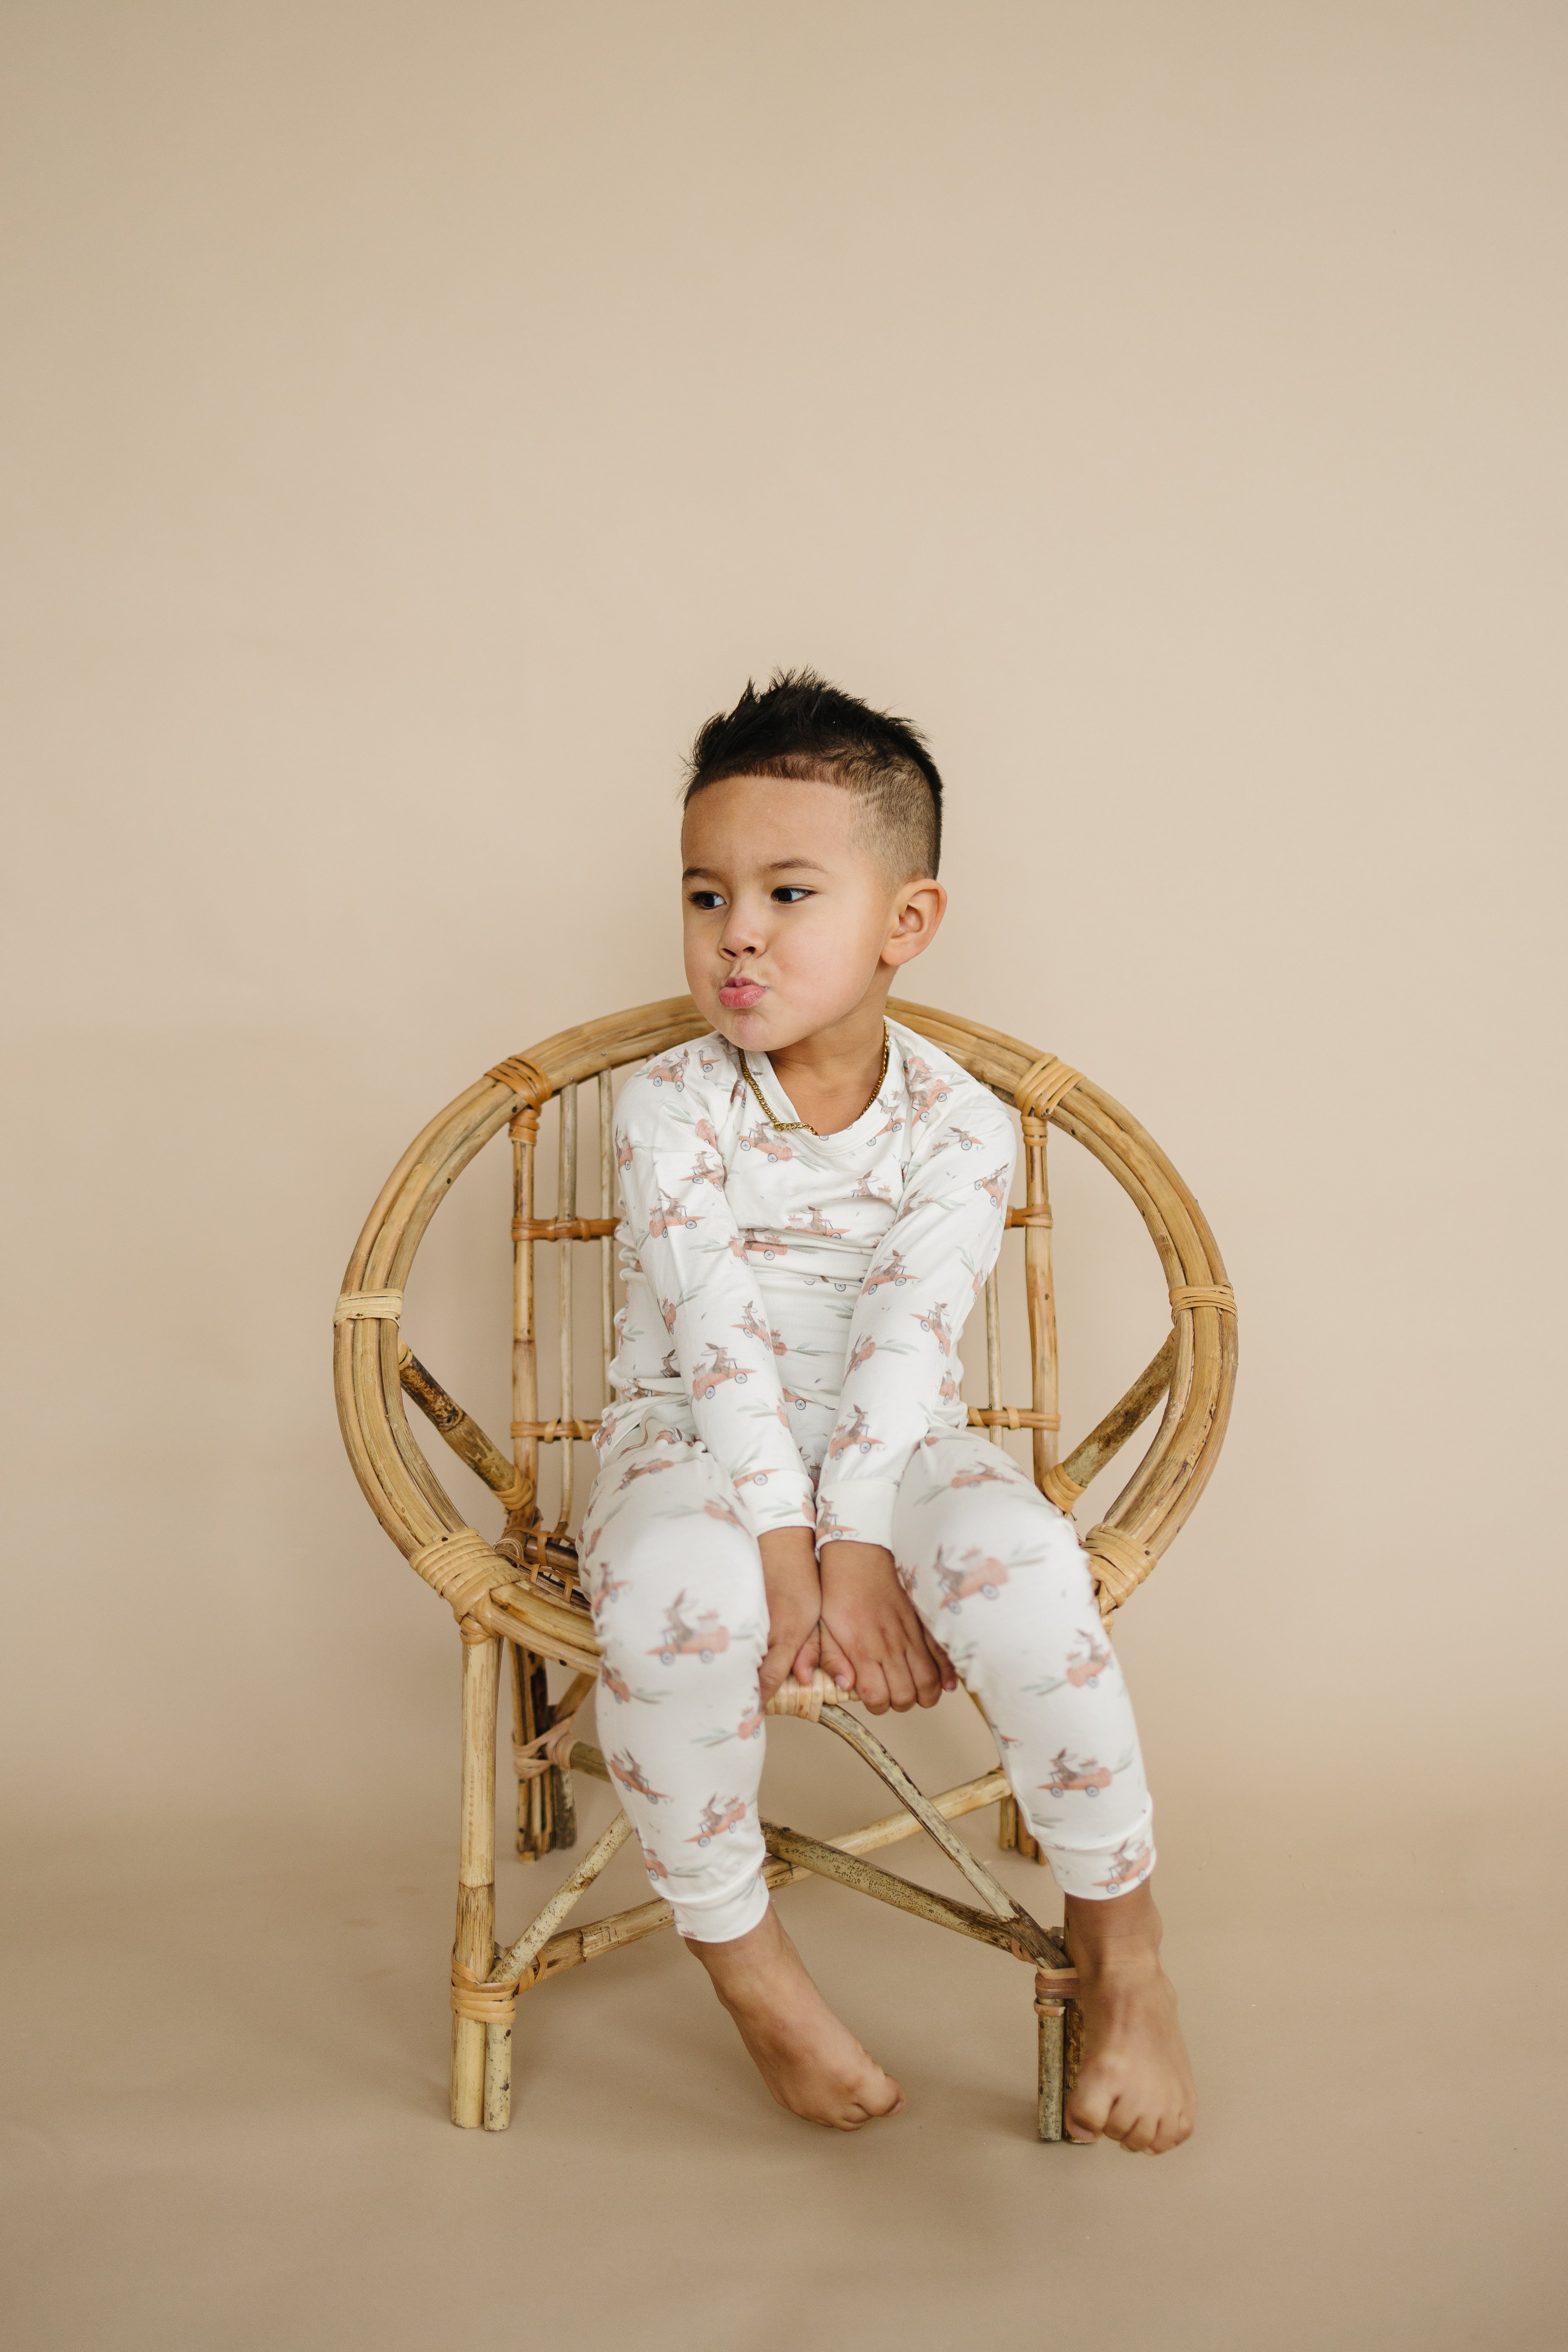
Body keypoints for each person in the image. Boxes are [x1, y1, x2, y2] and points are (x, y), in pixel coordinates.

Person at [579, 670, 1196, 2151]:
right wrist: (790, 1559)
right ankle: (748, 1965)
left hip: (897, 1437)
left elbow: (905, 1344)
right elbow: (717, 1343)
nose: (736, 931)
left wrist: (857, 1543)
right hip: (692, 1437)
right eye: (706, 895)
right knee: (675, 1588)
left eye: (788, 893)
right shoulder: (667, 1105)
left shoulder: (962, 1126)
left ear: (903, 922)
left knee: (1023, 1564)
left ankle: (1126, 1953)